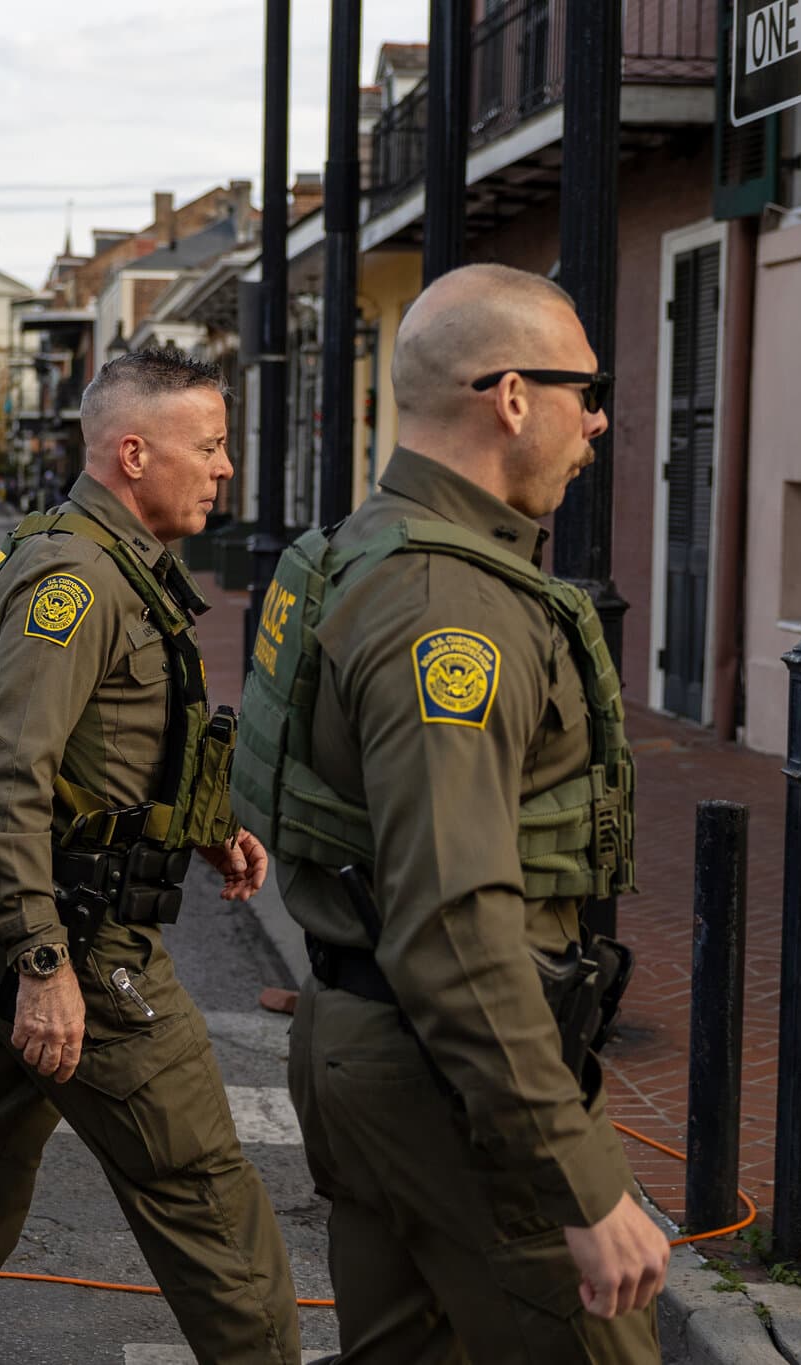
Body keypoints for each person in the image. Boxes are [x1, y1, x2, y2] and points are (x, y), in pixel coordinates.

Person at [244, 263, 667, 1362]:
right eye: (584, 390)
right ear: (512, 396)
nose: (599, 420)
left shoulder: (359, 553)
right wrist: (577, 1180)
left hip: (366, 1046)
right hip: (450, 1083)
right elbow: (451, 919)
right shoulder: (451, 609)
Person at [0, 347, 301, 1364]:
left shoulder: (115, 563)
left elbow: (104, 752)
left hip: (28, 918)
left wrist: (200, 825)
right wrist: (45, 965)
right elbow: (5, 778)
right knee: (206, 1200)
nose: (225, 468)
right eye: (211, 445)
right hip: (76, 938)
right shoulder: (76, 580)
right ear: (133, 453)